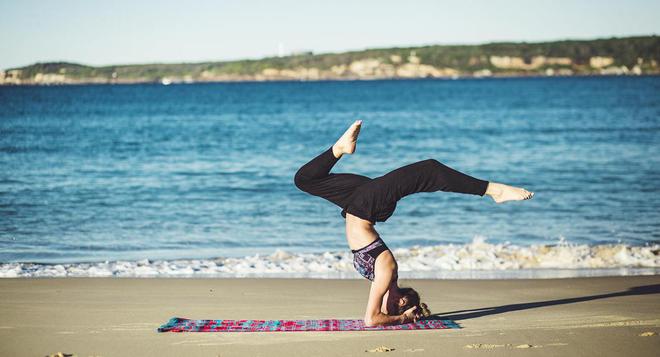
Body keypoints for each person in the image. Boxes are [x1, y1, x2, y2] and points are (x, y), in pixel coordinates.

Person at [294, 120, 533, 327]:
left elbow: (371, 318)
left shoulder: (381, 278)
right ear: (401, 300)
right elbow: (373, 318)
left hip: (357, 203)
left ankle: (339, 149)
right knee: (430, 169)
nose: (383, 307)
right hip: (367, 206)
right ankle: (494, 191)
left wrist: (403, 318)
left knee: (305, 180)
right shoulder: (387, 271)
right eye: (391, 308)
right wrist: (404, 318)